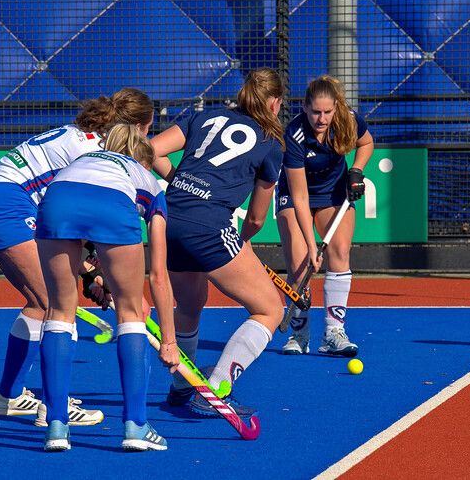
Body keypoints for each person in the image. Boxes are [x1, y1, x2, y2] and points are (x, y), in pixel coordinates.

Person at [0, 88, 155, 427]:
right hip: (10, 203)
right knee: (55, 306)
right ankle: (55, 407)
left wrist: (91, 274)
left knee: (40, 304)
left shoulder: (82, 135)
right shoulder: (98, 152)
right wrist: (103, 275)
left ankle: (7, 397)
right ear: (140, 127)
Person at [150, 67, 285, 415]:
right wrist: (242, 241)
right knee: (270, 309)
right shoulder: (271, 141)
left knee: (191, 306)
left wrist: (180, 181)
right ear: (275, 104)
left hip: (170, 220)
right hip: (210, 226)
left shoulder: (203, 116)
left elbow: (150, 149)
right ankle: (219, 383)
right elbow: (256, 217)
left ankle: (182, 388)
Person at [36, 123, 178, 452]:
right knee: (130, 314)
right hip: (111, 208)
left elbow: (84, 241)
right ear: (142, 159)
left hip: (57, 200)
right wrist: (169, 341)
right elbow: (158, 274)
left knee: (59, 311)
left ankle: (56, 426)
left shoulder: (80, 162)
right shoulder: (149, 181)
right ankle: (136, 427)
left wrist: (97, 276)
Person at [277, 75, 374, 357]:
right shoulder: (294, 135)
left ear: (336, 108)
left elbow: (366, 143)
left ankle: (333, 332)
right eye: (315, 112)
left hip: (333, 192)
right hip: (297, 195)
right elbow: (300, 197)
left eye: (327, 112)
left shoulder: (349, 120)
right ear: (305, 107)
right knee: (299, 264)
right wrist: (311, 246)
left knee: (340, 251)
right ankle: (299, 333)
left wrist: (356, 170)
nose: (321, 118)